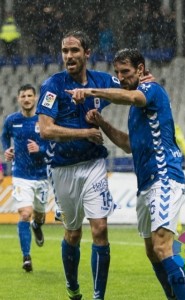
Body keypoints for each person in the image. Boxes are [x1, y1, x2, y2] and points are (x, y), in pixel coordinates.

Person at [66, 48, 185, 300]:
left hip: (164, 176)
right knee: (151, 250)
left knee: (162, 245)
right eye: (118, 73)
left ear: (140, 69)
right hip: (145, 183)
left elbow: (133, 97)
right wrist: (102, 123)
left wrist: (91, 91)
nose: (121, 77)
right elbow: (128, 145)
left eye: (125, 72)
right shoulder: (135, 109)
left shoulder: (150, 91)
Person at [36, 30, 121, 300]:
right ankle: (73, 286)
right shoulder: (53, 85)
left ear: (87, 53)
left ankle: (99, 296)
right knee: (72, 233)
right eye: (65, 51)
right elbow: (46, 130)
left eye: (74, 50)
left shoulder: (102, 80)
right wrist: (85, 132)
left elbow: (129, 88)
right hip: (63, 169)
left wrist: (144, 82)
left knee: (100, 228)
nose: (69, 56)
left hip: (94, 163)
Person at [1, 84, 49, 272]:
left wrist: (40, 149)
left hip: (42, 175)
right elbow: (4, 136)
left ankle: (37, 226)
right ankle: (26, 257)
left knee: (39, 215)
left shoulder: (44, 119)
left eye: (30, 95)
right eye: (23, 96)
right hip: (21, 174)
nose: (27, 99)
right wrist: (7, 149)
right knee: (24, 214)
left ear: (35, 98)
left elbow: (52, 144)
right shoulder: (12, 120)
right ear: (18, 99)